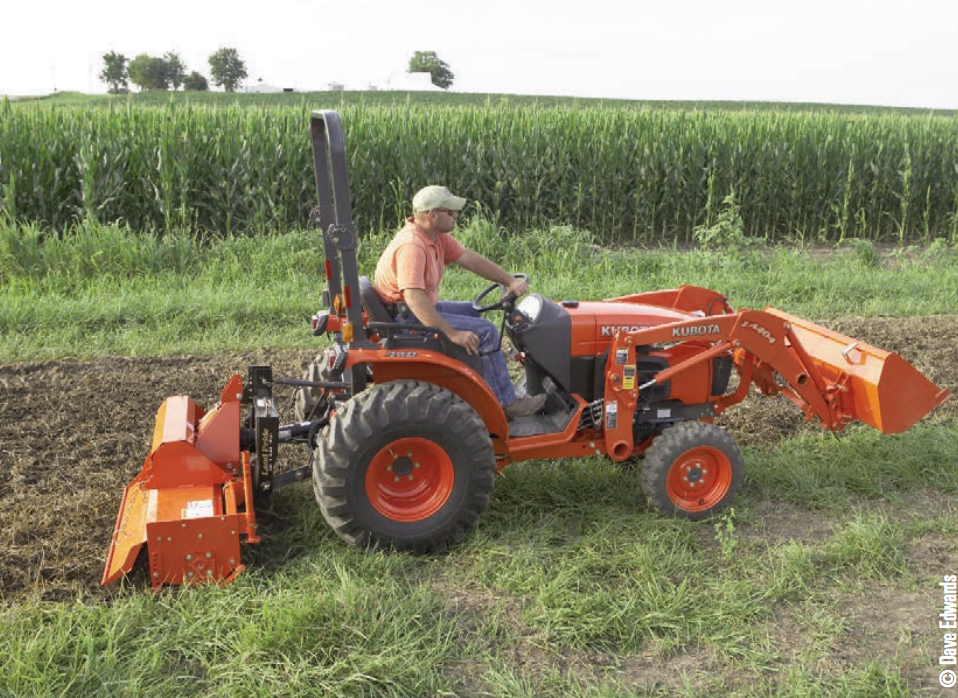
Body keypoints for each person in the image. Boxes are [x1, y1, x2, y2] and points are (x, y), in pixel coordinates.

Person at [373, 185, 547, 418]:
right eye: (450, 212)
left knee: (473, 313)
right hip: (407, 317)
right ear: (432, 215)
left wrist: (509, 280)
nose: (455, 215)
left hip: (415, 309)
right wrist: (452, 333)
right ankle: (506, 403)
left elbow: (470, 259)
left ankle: (482, 383)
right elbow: (413, 297)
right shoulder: (412, 246)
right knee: (486, 332)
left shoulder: (436, 238)